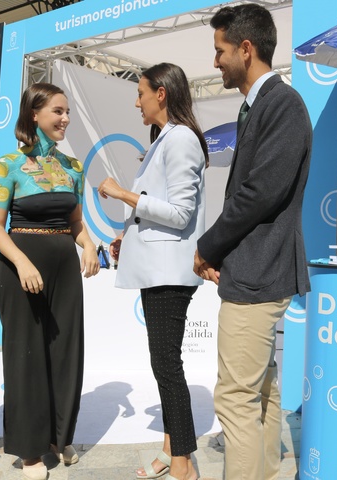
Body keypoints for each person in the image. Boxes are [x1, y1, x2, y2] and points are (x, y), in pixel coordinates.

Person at [193, 4, 313, 480]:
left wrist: (208, 246)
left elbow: (259, 194)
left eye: (220, 51)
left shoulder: (282, 103)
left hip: (259, 273)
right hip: (257, 270)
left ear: (246, 48)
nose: (215, 62)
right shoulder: (260, 106)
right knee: (260, 392)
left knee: (234, 398)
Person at [97, 62, 207, 480]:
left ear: (161, 93)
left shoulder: (180, 140)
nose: (136, 102)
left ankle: (182, 464)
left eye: (140, 93)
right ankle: (170, 450)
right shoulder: (166, 139)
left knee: (166, 365)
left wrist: (123, 194)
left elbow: (179, 214)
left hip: (170, 273)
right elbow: (160, 207)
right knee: (164, 363)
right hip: (159, 268)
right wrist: (129, 235)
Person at [0, 82, 99, 480]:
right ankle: (29, 451)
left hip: (65, 271)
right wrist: (21, 263)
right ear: (34, 114)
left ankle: (58, 437)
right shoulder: (8, 164)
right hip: (21, 271)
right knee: (26, 357)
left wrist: (87, 245)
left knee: (65, 352)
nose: (65, 118)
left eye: (67, 111)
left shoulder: (73, 167)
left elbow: (76, 223)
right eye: (57, 111)